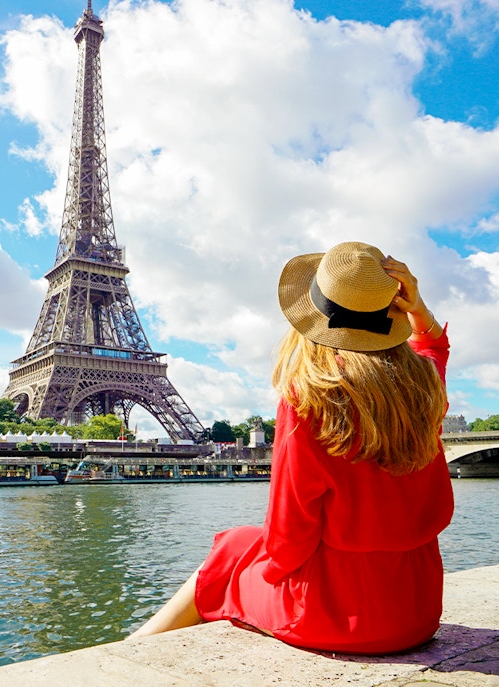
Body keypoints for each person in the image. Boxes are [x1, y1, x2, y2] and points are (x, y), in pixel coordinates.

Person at [127, 241, 452, 654]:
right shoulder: (424, 388)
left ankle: (130, 649)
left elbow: (288, 535)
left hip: (333, 617)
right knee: (239, 544)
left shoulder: (310, 399)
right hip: (417, 612)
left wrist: (265, 567)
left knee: (227, 553)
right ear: (394, 312)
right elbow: (432, 352)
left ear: (314, 317)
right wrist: (420, 311)